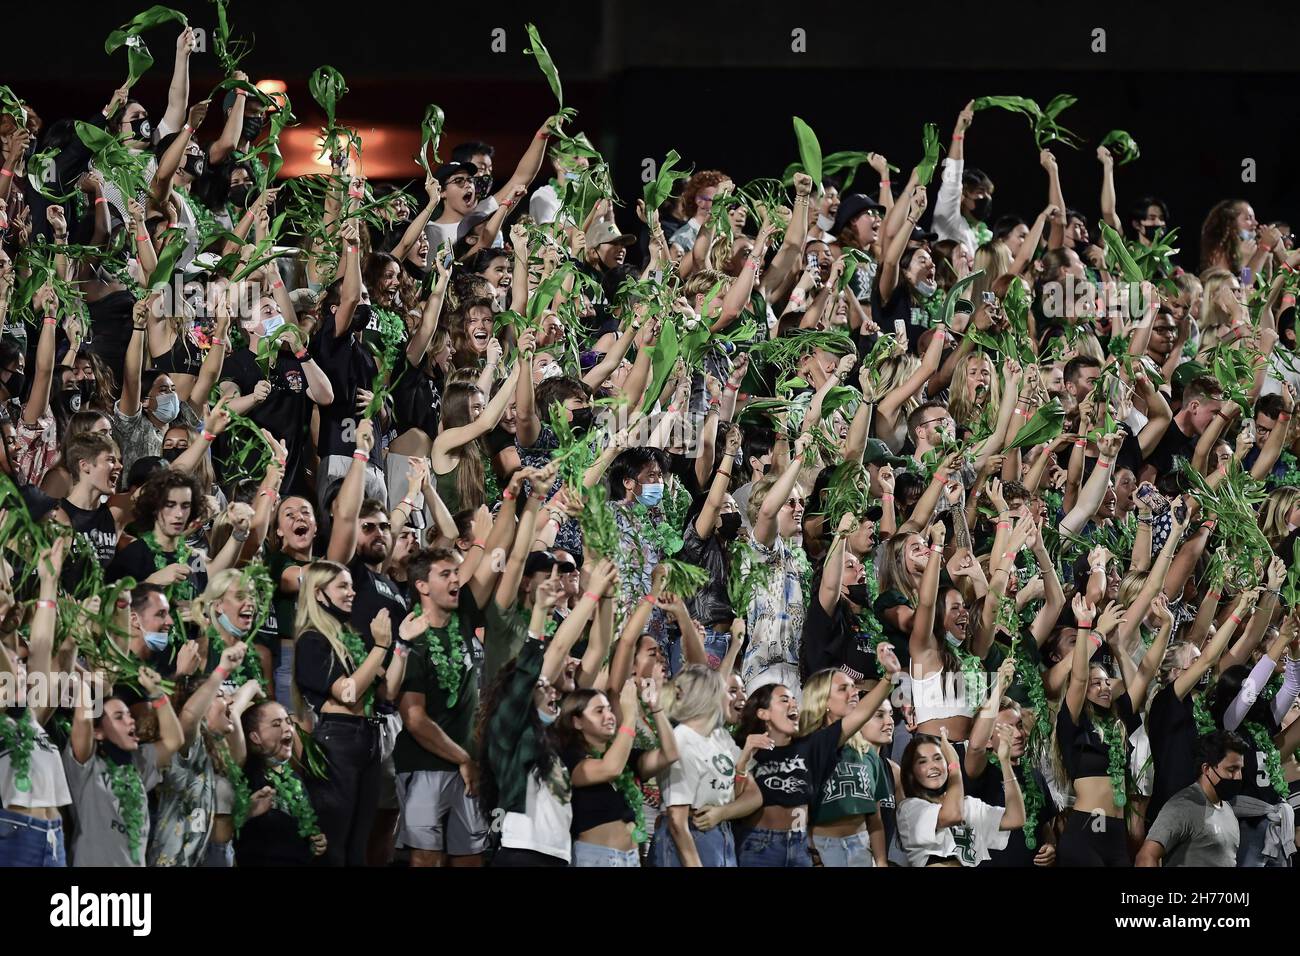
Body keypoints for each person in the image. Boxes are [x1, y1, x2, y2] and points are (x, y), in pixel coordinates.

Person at [1137, 731, 1247, 867]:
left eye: (1240, 770)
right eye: (1232, 770)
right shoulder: (1182, 806)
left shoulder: (1228, 810)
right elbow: (1146, 857)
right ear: (1206, 769)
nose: (1238, 777)